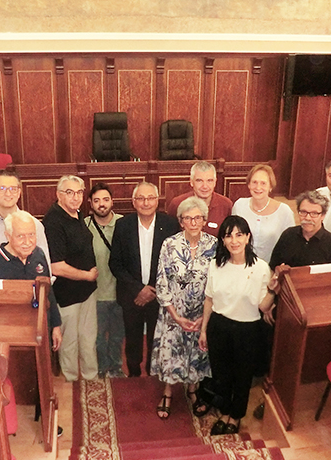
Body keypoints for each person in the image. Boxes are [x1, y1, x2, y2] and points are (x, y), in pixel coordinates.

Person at [199, 215, 275, 435]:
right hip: (219, 326)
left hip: (248, 330)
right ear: (222, 240)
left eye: (239, 235)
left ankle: (236, 416)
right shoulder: (216, 265)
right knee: (221, 375)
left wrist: (273, 290)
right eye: (228, 235)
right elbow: (209, 299)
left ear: (247, 237)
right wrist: (204, 329)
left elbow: (263, 306)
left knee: (242, 377)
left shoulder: (261, 267)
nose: (234, 240)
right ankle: (224, 412)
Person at [150, 196, 217, 419]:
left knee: (198, 352)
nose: (193, 222)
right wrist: (175, 315)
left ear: (205, 220)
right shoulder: (170, 244)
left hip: (202, 312)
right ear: (181, 221)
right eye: (188, 218)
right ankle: (168, 392)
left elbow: (217, 283)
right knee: (172, 353)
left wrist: (204, 318)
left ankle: (193, 390)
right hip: (173, 312)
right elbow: (161, 280)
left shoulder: (214, 245)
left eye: (198, 217)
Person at [110, 181, 180, 377]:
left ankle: (152, 372)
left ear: (157, 200)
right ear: (134, 202)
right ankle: (133, 373)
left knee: (155, 338)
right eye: (141, 198)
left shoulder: (170, 224)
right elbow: (115, 263)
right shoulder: (123, 225)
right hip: (132, 295)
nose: (146, 202)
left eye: (150, 198)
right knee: (132, 338)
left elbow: (174, 264)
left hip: (160, 295)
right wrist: (138, 289)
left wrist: (153, 290)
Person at [0, 210, 62, 352]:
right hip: (9, 339)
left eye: (31, 235)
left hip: (40, 332)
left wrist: (56, 325)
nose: (27, 242)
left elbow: (48, 293)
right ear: (8, 236)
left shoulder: (38, 255)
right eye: (20, 236)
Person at [43, 175, 98, 381]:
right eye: (69, 192)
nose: (75, 197)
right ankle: (71, 381)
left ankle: (91, 378)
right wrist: (87, 275)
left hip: (86, 291)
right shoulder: (54, 221)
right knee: (69, 342)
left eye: (79, 192)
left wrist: (88, 280)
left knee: (88, 338)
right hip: (67, 295)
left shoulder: (76, 214)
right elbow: (56, 267)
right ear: (58, 195)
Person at [85, 183, 125, 379]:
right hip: (95, 294)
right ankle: (101, 368)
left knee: (117, 336)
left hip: (120, 293)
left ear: (112, 201)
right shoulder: (83, 226)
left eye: (106, 199)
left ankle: (116, 367)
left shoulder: (124, 224)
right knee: (99, 337)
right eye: (97, 200)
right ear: (90, 204)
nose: (102, 204)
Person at [0, 170, 50, 266]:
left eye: (13, 189)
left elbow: (45, 263)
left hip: (28, 279)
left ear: (19, 193)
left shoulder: (34, 224)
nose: (8, 194)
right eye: (2, 188)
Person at [231, 163, 295, 263]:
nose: (258, 187)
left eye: (263, 183)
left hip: (270, 267)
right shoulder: (239, 205)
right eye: (254, 182)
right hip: (242, 265)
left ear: (270, 187)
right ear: (249, 185)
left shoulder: (284, 211)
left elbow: (290, 245)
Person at [270, 190, 331, 269]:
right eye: (303, 212)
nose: (307, 218)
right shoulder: (288, 235)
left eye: (314, 213)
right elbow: (274, 266)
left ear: (323, 216)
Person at [167, 161, 232, 237]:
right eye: (199, 181)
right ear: (191, 182)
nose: (205, 186)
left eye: (209, 181)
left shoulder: (226, 204)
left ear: (215, 182)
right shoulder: (177, 203)